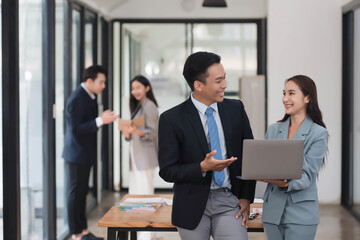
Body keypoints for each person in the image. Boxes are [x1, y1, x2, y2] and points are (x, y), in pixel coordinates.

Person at [158, 51, 256, 240]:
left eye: (225, 78)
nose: (225, 85)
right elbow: (167, 170)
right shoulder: (172, 119)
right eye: (219, 81)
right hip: (190, 204)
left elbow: (249, 155)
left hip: (228, 199)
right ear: (198, 85)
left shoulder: (236, 109)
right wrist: (202, 167)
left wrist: (246, 197)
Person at [258, 75, 328, 240]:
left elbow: (308, 175)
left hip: (301, 214)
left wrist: (283, 182)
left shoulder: (318, 133)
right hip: (272, 212)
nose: (285, 99)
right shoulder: (274, 130)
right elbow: (266, 166)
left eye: (291, 93)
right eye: (284, 93)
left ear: (307, 97)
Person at [62, 65, 117, 240]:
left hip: (84, 153)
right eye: (101, 82)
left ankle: (83, 230)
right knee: (75, 194)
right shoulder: (77, 98)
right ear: (89, 81)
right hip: (76, 154)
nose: (103, 86)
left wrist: (100, 119)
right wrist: (101, 120)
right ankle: (76, 233)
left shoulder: (90, 96)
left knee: (82, 194)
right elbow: (76, 129)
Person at [122, 75, 159, 195]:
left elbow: (153, 132)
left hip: (145, 156)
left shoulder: (150, 106)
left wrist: (134, 131)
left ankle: (147, 215)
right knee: (136, 191)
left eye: (138, 87)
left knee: (145, 192)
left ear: (147, 88)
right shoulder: (139, 106)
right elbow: (136, 132)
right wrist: (127, 133)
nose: (135, 91)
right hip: (137, 155)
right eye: (133, 89)